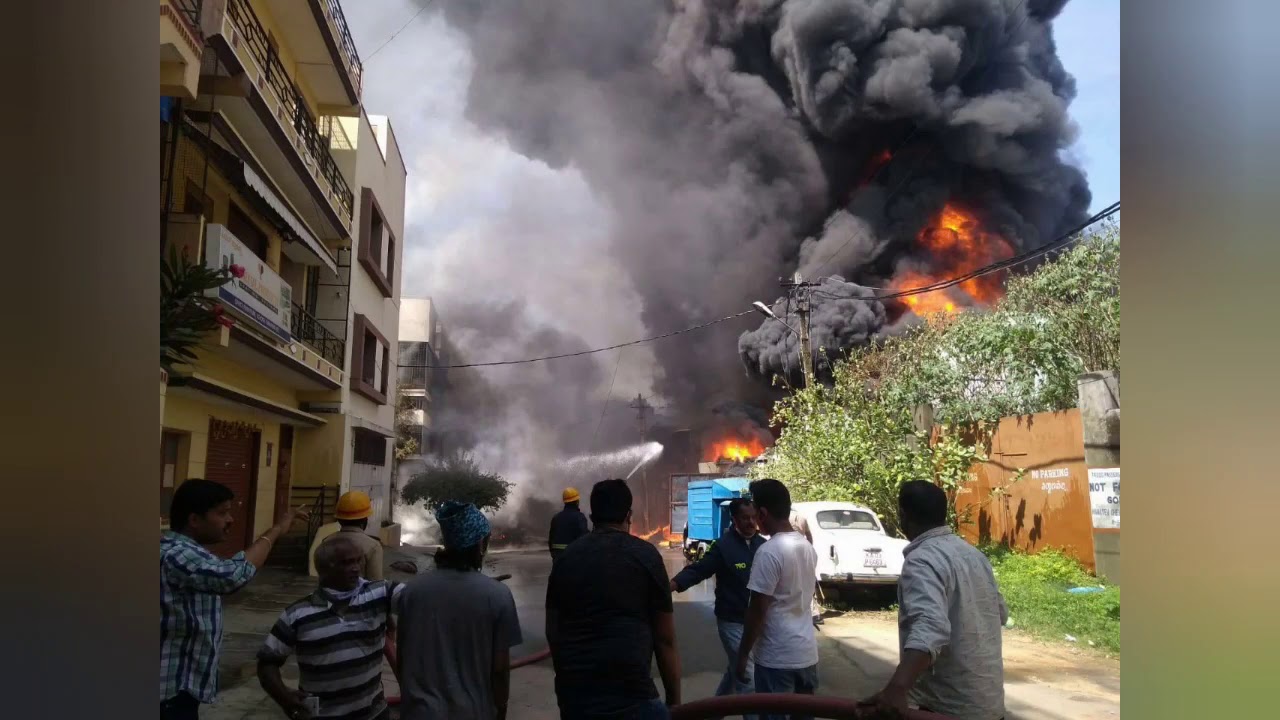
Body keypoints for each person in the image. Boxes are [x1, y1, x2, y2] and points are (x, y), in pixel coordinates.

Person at [161, 479, 309, 719]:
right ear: (194, 519)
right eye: (222, 513)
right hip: (169, 693)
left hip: (181, 687)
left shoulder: (189, 552)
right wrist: (275, 531)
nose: (230, 520)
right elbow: (232, 576)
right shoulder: (177, 553)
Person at [870, 480, 1009, 720]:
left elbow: (930, 626)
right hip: (989, 705)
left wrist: (897, 688)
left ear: (903, 515)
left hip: (946, 708)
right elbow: (1000, 613)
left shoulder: (921, 560)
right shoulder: (974, 555)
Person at [546, 478, 681, 719]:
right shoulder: (646, 556)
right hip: (633, 697)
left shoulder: (565, 560)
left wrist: (567, 682)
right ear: (629, 515)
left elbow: (553, 631)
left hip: (577, 699)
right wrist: (674, 702)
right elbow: (664, 640)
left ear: (592, 516)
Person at [396, 501, 523, 720]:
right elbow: (500, 670)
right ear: (480, 544)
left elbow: (402, 657)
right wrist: (501, 709)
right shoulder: (498, 595)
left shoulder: (412, 591)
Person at [257, 536, 402, 720]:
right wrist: (285, 699)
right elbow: (267, 664)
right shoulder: (297, 614)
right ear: (324, 569)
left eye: (358, 561)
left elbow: (418, 597)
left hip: (375, 714)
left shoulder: (379, 594)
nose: (356, 568)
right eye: (347, 563)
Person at [670, 498, 765, 716]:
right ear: (734, 519)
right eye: (745, 518)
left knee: (736, 669)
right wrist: (672, 585)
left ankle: (713, 712)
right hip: (731, 621)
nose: (751, 522)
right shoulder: (723, 547)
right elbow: (699, 570)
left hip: (757, 622)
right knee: (747, 677)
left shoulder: (763, 545)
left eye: (754, 517)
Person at [735, 479, 819, 720]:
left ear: (762, 513)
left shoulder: (768, 552)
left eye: (755, 513)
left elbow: (757, 611)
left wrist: (743, 655)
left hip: (776, 659)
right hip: (807, 655)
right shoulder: (807, 547)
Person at [308, 490, 384, 580]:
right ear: (364, 521)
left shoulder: (326, 542)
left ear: (339, 520)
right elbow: (376, 583)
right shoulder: (373, 546)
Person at [788, 508, 823, 626]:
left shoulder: (785, 517)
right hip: (803, 551)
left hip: (790, 551)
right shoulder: (802, 517)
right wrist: (808, 548)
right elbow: (809, 536)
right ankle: (814, 613)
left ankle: (807, 613)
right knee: (806, 583)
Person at [549, 486, 590, 564]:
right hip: (573, 559)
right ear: (577, 502)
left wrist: (554, 555)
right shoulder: (579, 517)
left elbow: (551, 540)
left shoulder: (556, 518)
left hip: (557, 559)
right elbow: (584, 538)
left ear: (565, 502)